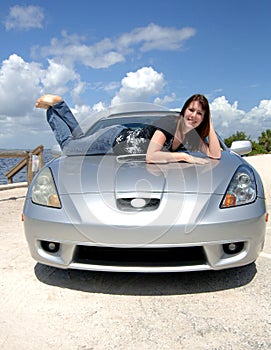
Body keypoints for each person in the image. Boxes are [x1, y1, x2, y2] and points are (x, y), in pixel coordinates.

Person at [35, 93, 221, 164]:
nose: (194, 116)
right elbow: (151, 156)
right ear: (184, 110)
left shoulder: (190, 137)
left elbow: (215, 154)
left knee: (79, 139)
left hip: (117, 139)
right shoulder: (170, 124)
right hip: (111, 140)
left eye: (200, 114)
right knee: (68, 147)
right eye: (191, 110)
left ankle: (59, 106)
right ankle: (56, 107)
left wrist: (210, 124)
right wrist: (184, 156)